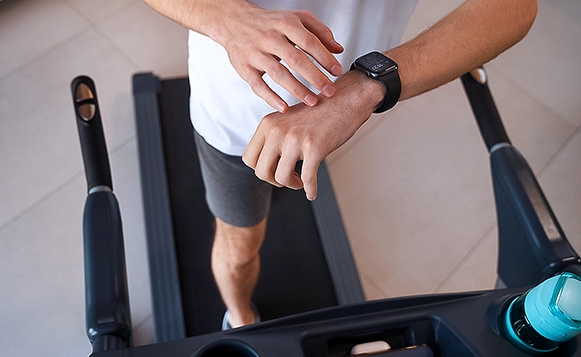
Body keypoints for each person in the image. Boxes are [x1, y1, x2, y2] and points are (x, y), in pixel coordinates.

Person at [142, 0, 537, 330]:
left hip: (341, 99)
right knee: (241, 245)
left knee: (293, 181)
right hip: (234, 118)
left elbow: (516, 6)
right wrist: (229, 18)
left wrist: (364, 87)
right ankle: (241, 317)